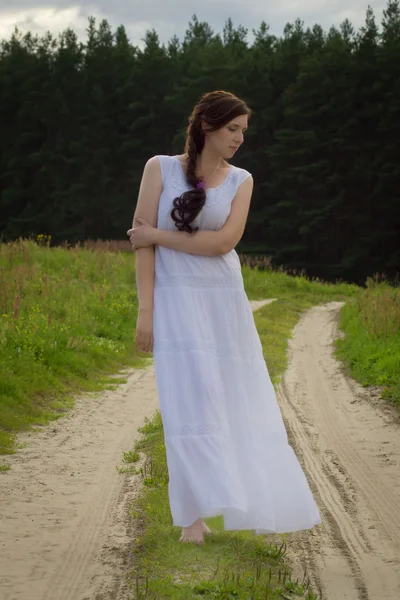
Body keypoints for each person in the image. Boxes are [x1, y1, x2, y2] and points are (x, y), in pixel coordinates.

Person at [127, 90, 321, 545]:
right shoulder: (159, 168)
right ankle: (191, 518)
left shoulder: (242, 180)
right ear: (207, 127)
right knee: (184, 401)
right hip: (174, 300)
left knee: (231, 396)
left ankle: (250, 500)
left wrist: (157, 233)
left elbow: (222, 244)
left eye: (243, 132)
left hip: (222, 300)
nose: (239, 139)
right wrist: (146, 312)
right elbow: (141, 244)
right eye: (232, 129)